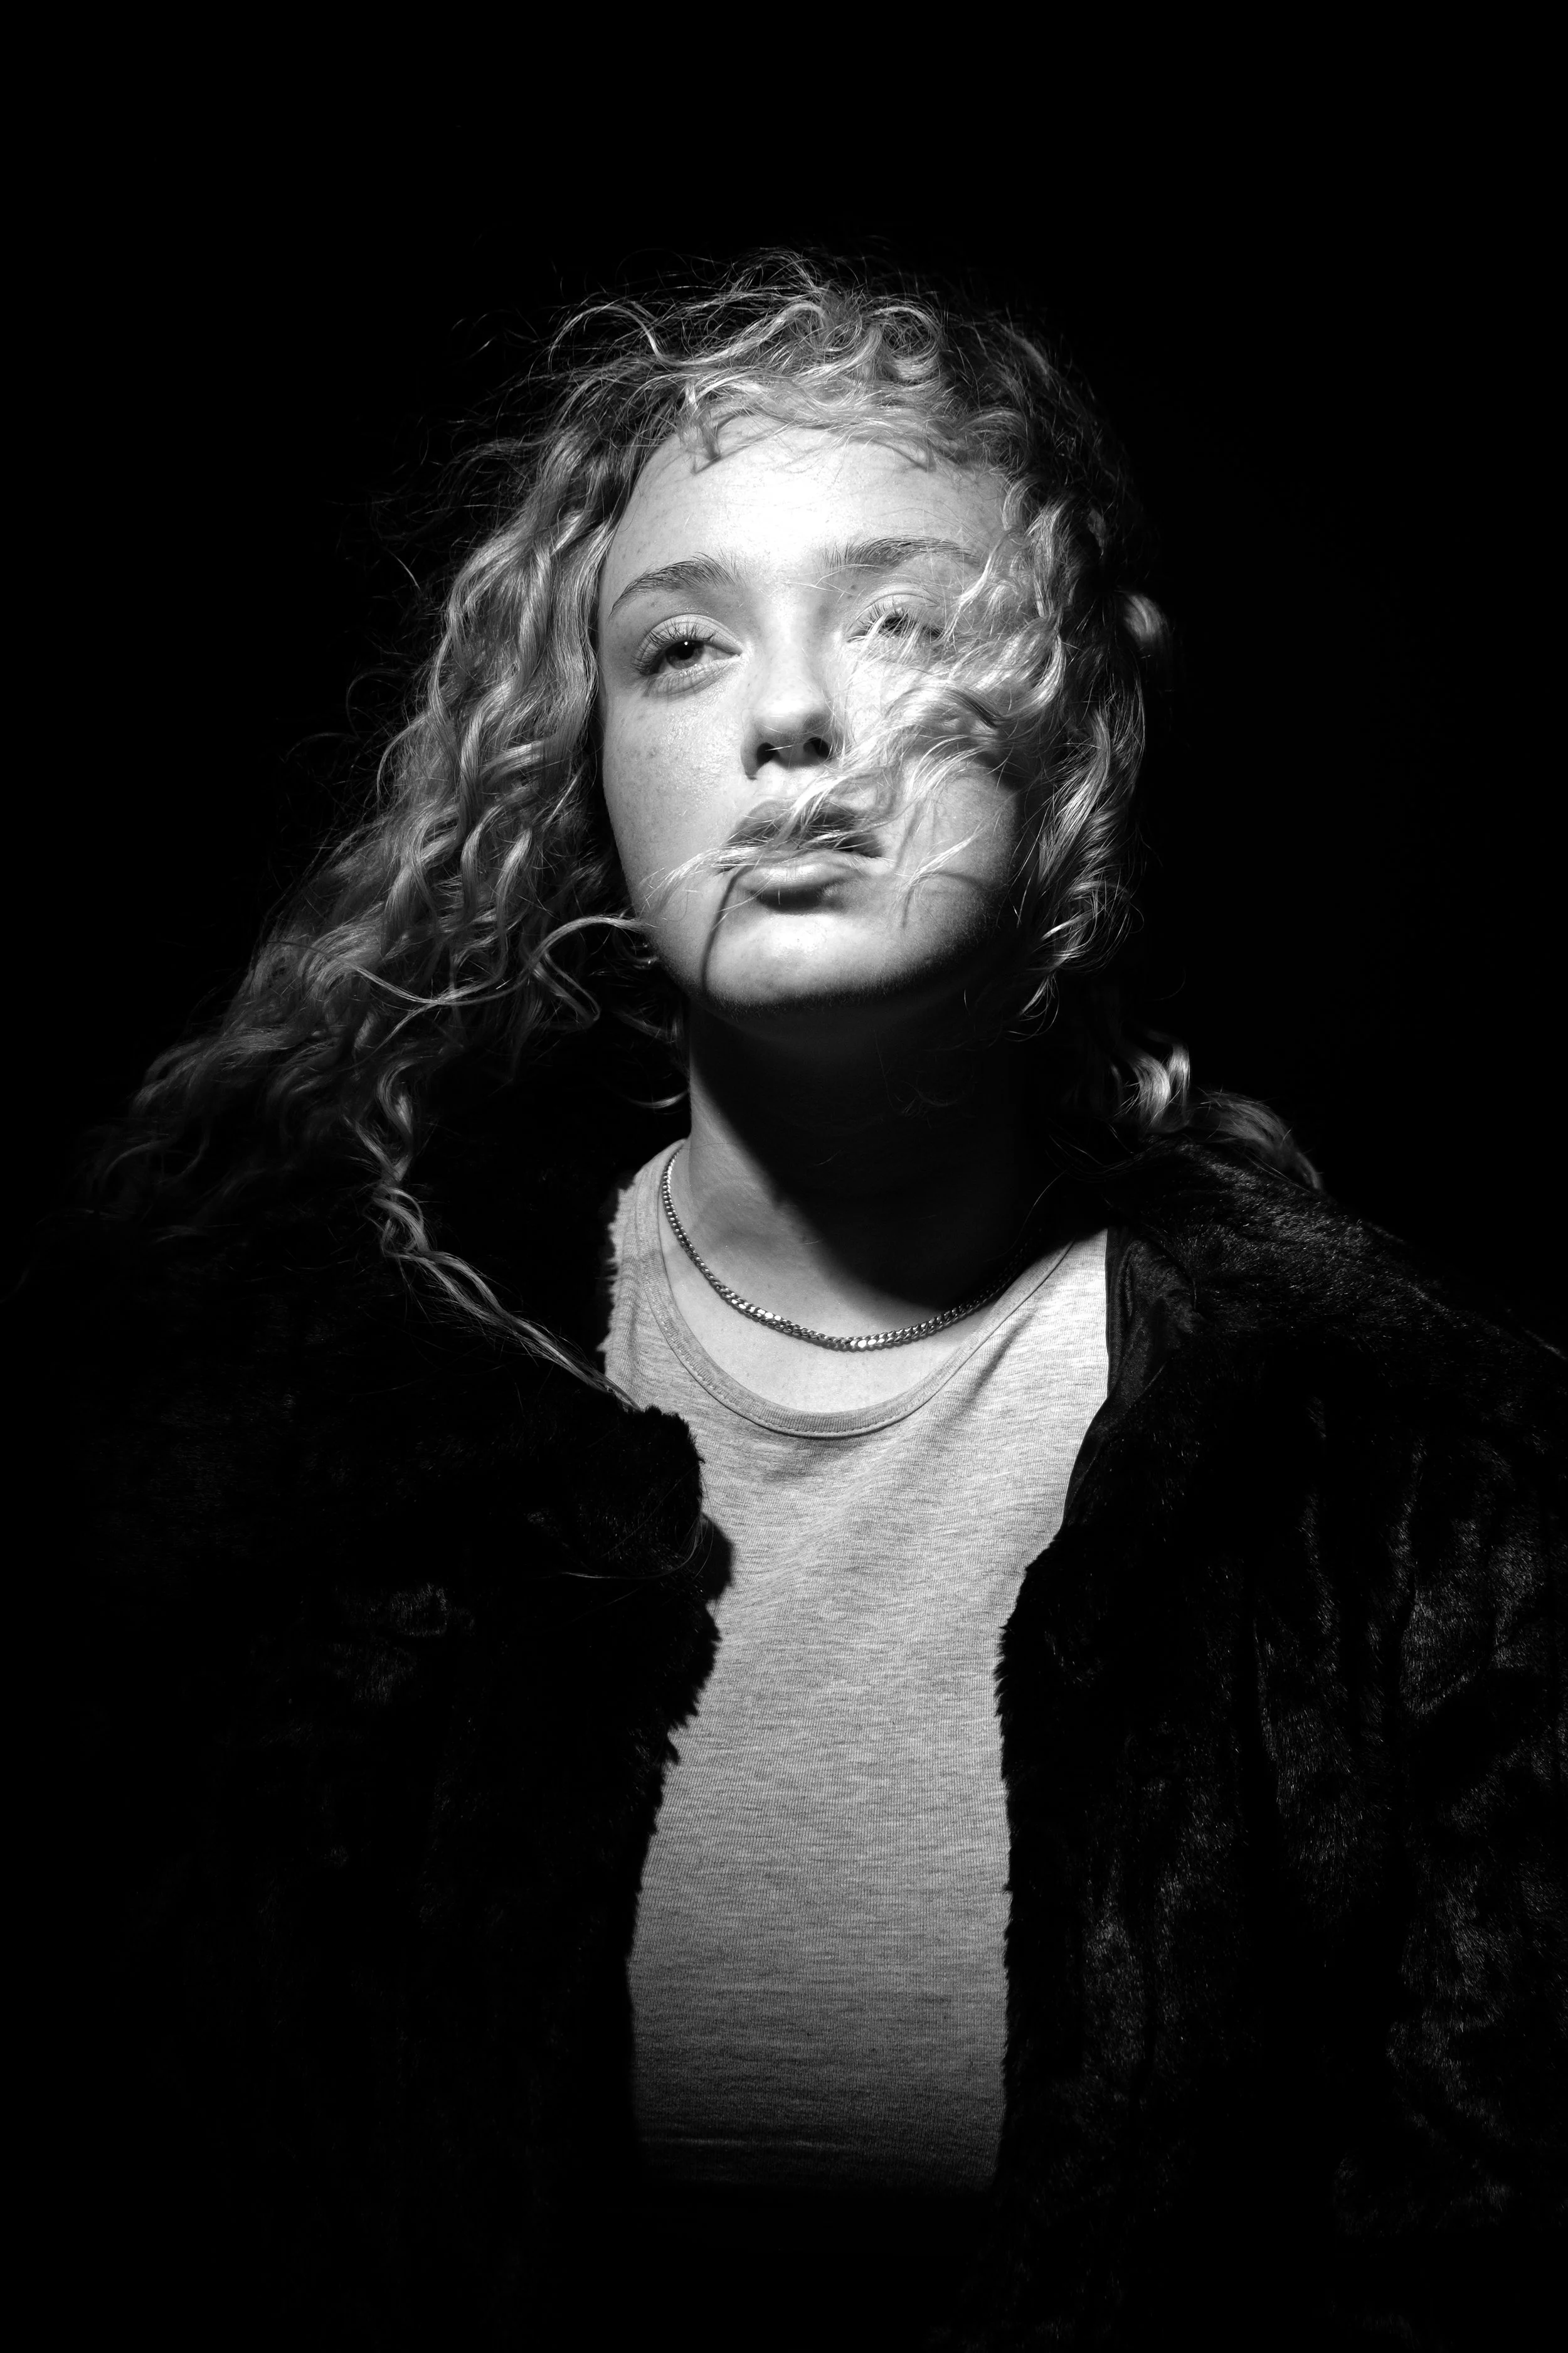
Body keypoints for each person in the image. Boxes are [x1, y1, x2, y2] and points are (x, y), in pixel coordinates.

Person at [28, 259, 1564, 2349]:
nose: (789, 718)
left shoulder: (1410, 1485)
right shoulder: (288, 1432)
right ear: (583, 758)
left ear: (1082, 721)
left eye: (904, 620)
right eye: (678, 646)